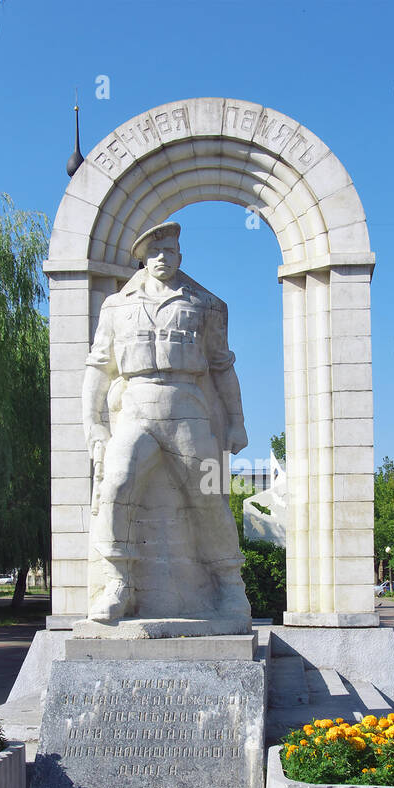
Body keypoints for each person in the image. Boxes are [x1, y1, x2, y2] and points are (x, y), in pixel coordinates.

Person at [82, 221, 250, 623]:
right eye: (155, 252)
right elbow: (99, 368)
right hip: (136, 407)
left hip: (187, 406)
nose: (162, 258)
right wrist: (94, 424)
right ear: (142, 257)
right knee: (117, 484)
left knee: (208, 496)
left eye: (170, 252)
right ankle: (118, 582)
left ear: (180, 256)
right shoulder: (116, 306)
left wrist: (237, 421)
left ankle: (230, 588)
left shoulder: (205, 305)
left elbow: (223, 367)